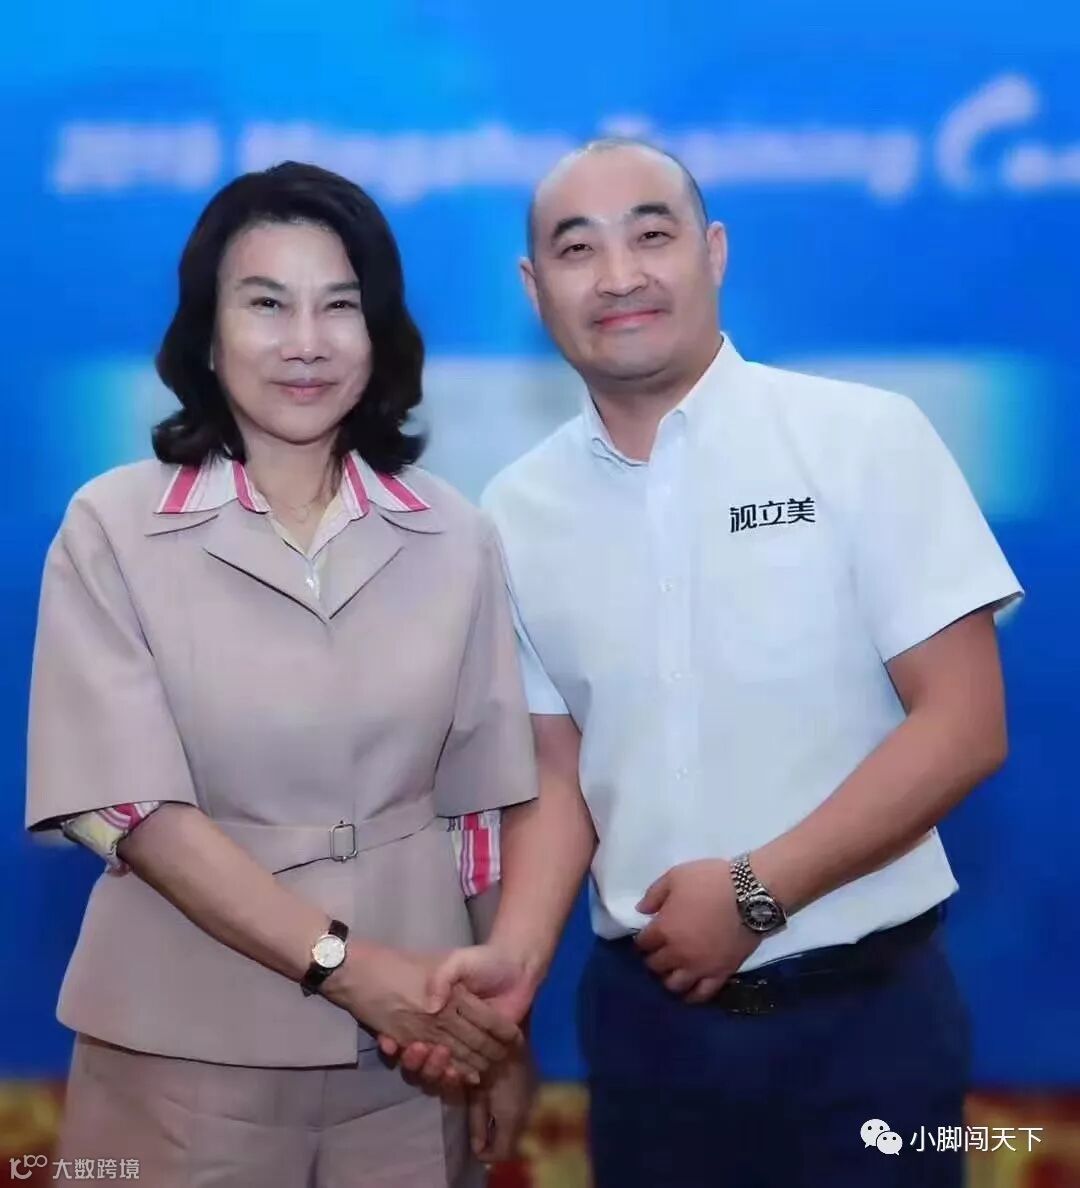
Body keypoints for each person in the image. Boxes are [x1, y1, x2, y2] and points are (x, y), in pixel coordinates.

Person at [405, 138, 1023, 1187]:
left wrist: (754, 892)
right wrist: (517, 960)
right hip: (646, 1034)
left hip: (869, 1024)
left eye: (652, 235)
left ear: (715, 250)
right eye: (577, 249)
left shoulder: (862, 437)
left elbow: (965, 724)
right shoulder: (515, 509)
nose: (619, 275)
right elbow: (559, 770)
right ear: (534, 287)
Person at [25, 161, 536, 1188]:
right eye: (266, 304)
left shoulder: (455, 532)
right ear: (208, 338)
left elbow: (481, 816)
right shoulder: (111, 526)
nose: (306, 341)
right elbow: (133, 814)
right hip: (180, 1046)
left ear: (377, 334)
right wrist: (347, 967)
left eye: (339, 306)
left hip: (416, 1055)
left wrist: (497, 1034)